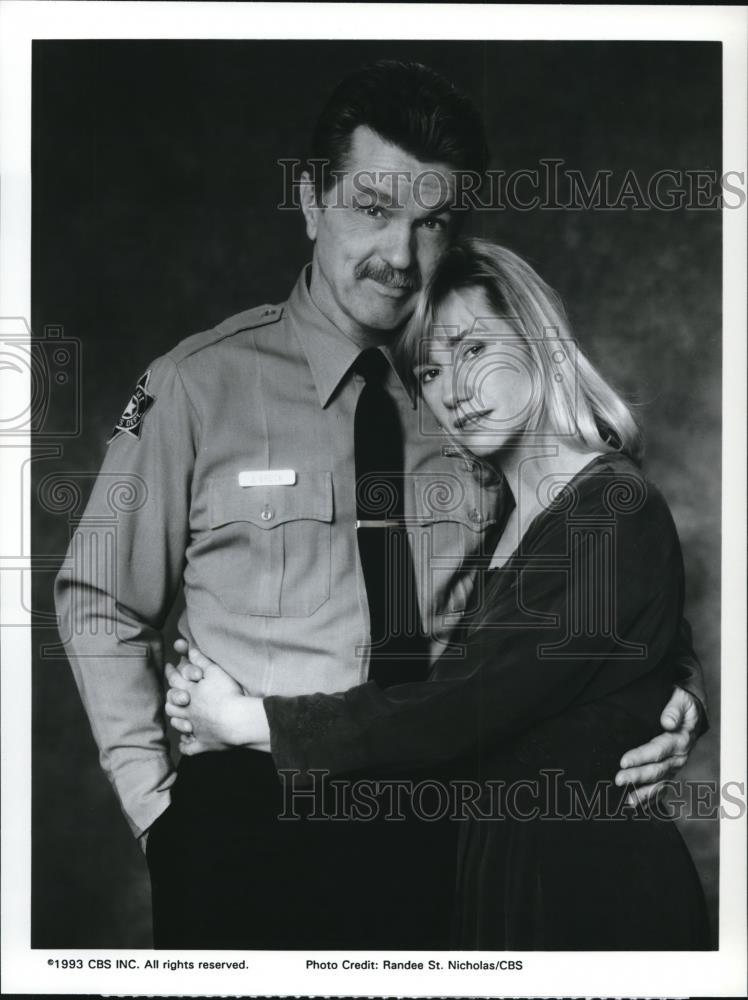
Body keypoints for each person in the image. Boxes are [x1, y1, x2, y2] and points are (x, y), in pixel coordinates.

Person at [55, 60, 707, 950]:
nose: (401, 255)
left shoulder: (474, 393)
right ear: (310, 199)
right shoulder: (195, 385)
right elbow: (97, 597)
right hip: (250, 819)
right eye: (372, 208)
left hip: (440, 827)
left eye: (430, 221)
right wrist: (155, 810)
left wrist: (673, 689)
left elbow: (570, 587)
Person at [165, 238, 710, 949]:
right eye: (428, 369)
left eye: (474, 349)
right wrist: (684, 684)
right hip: (494, 880)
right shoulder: (506, 523)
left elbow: (455, 712)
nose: (452, 392)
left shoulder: (610, 509)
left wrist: (241, 720)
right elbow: (600, 649)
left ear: (538, 341)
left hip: (587, 893)